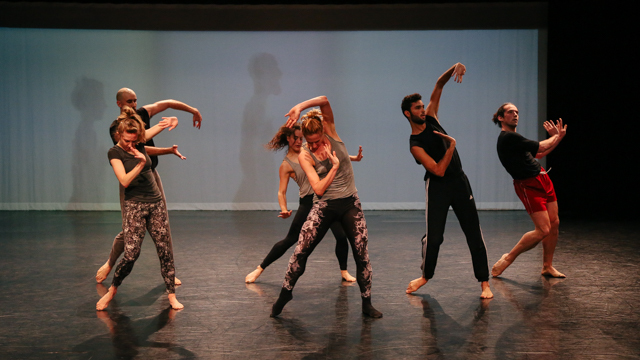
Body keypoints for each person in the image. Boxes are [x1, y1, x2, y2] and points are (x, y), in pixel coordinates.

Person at [270, 96, 382, 318]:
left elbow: (324, 100)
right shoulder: (304, 154)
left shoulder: (330, 130)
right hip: (325, 205)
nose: (312, 146)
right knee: (301, 251)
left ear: (323, 132)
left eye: (316, 141)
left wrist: (299, 107)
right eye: (308, 142)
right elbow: (319, 189)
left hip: (350, 203)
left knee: (362, 254)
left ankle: (366, 303)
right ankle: (285, 294)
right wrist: (333, 168)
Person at [401, 63, 493, 299]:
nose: (423, 110)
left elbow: (439, 84)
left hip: (460, 182)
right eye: (418, 108)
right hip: (438, 187)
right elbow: (438, 171)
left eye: (423, 107)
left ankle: (484, 283)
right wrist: (451, 146)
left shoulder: (431, 117)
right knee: (434, 238)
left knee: (473, 231)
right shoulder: (415, 145)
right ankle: (425, 276)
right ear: (407, 114)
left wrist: (455, 68)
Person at [96, 88, 202, 285]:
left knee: (162, 227)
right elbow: (138, 146)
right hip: (132, 180)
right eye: (129, 101)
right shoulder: (117, 128)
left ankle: (169, 272)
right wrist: (164, 127)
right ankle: (111, 262)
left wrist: (193, 110)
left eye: (135, 100)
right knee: (129, 230)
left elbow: (168, 102)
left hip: (151, 175)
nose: (134, 104)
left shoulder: (143, 114)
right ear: (119, 104)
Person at [245, 122, 363, 284]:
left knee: (341, 237)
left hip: (325, 201)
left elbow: (330, 156)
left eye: (302, 138)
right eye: (296, 138)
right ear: (288, 139)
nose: (300, 141)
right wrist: (284, 209)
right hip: (308, 203)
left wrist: (353, 158)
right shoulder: (286, 165)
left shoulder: (311, 150)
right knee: (291, 239)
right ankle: (259, 269)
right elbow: (282, 191)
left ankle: (344, 271)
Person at [97, 107, 183, 310]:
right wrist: (141, 162)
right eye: (127, 141)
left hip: (156, 203)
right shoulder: (114, 152)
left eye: (135, 141)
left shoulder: (139, 142)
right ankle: (112, 290)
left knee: (165, 250)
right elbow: (124, 180)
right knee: (131, 254)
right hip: (134, 206)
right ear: (119, 135)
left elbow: (158, 127)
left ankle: (171, 294)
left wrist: (171, 119)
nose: (131, 145)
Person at [490, 103, 567, 278]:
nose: (515, 114)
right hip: (528, 185)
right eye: (510, 112)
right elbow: (540, 147)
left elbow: (538, 155)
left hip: (543, 178)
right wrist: (555, 137)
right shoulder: (507, 137)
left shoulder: (516, 138)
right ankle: (508, 259)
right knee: (543, 230)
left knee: (554, 223)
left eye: (517, 112)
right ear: (501, 117)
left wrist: (557, 138)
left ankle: (547, 266)